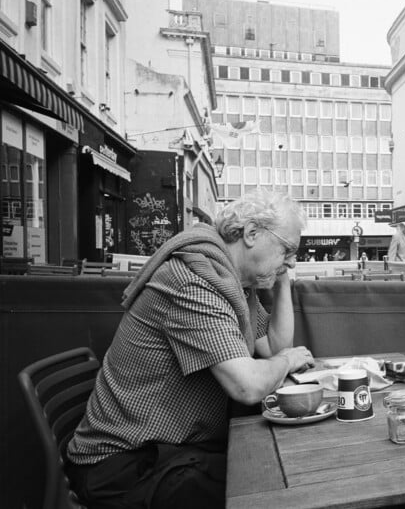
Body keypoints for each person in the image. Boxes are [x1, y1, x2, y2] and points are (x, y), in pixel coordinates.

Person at [65, 190, 315, 509]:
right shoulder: (194, 280)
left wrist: (281, 280)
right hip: (121, 466)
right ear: (252, 234)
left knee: (268, 471)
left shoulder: (234, 284)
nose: (293, 260)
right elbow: (248, 384)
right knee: (271, 487)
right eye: (288, 249)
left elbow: (275, 347)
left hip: (165, 451)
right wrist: (286, 361)